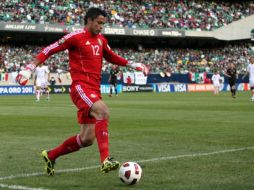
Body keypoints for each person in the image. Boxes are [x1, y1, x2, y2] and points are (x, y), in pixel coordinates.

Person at [16, 7, 148, 176]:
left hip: (94, 89)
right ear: (89, 20)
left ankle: (50, 155)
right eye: (99, 23)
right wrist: (30, 67)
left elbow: (111, 56)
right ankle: (105, 160)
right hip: (81, 87)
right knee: (103, 111)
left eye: (103, 24)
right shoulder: (75, 37)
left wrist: (133, 64)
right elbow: (50, 49)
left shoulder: (101, 40)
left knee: (86, 139)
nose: (101, 26)